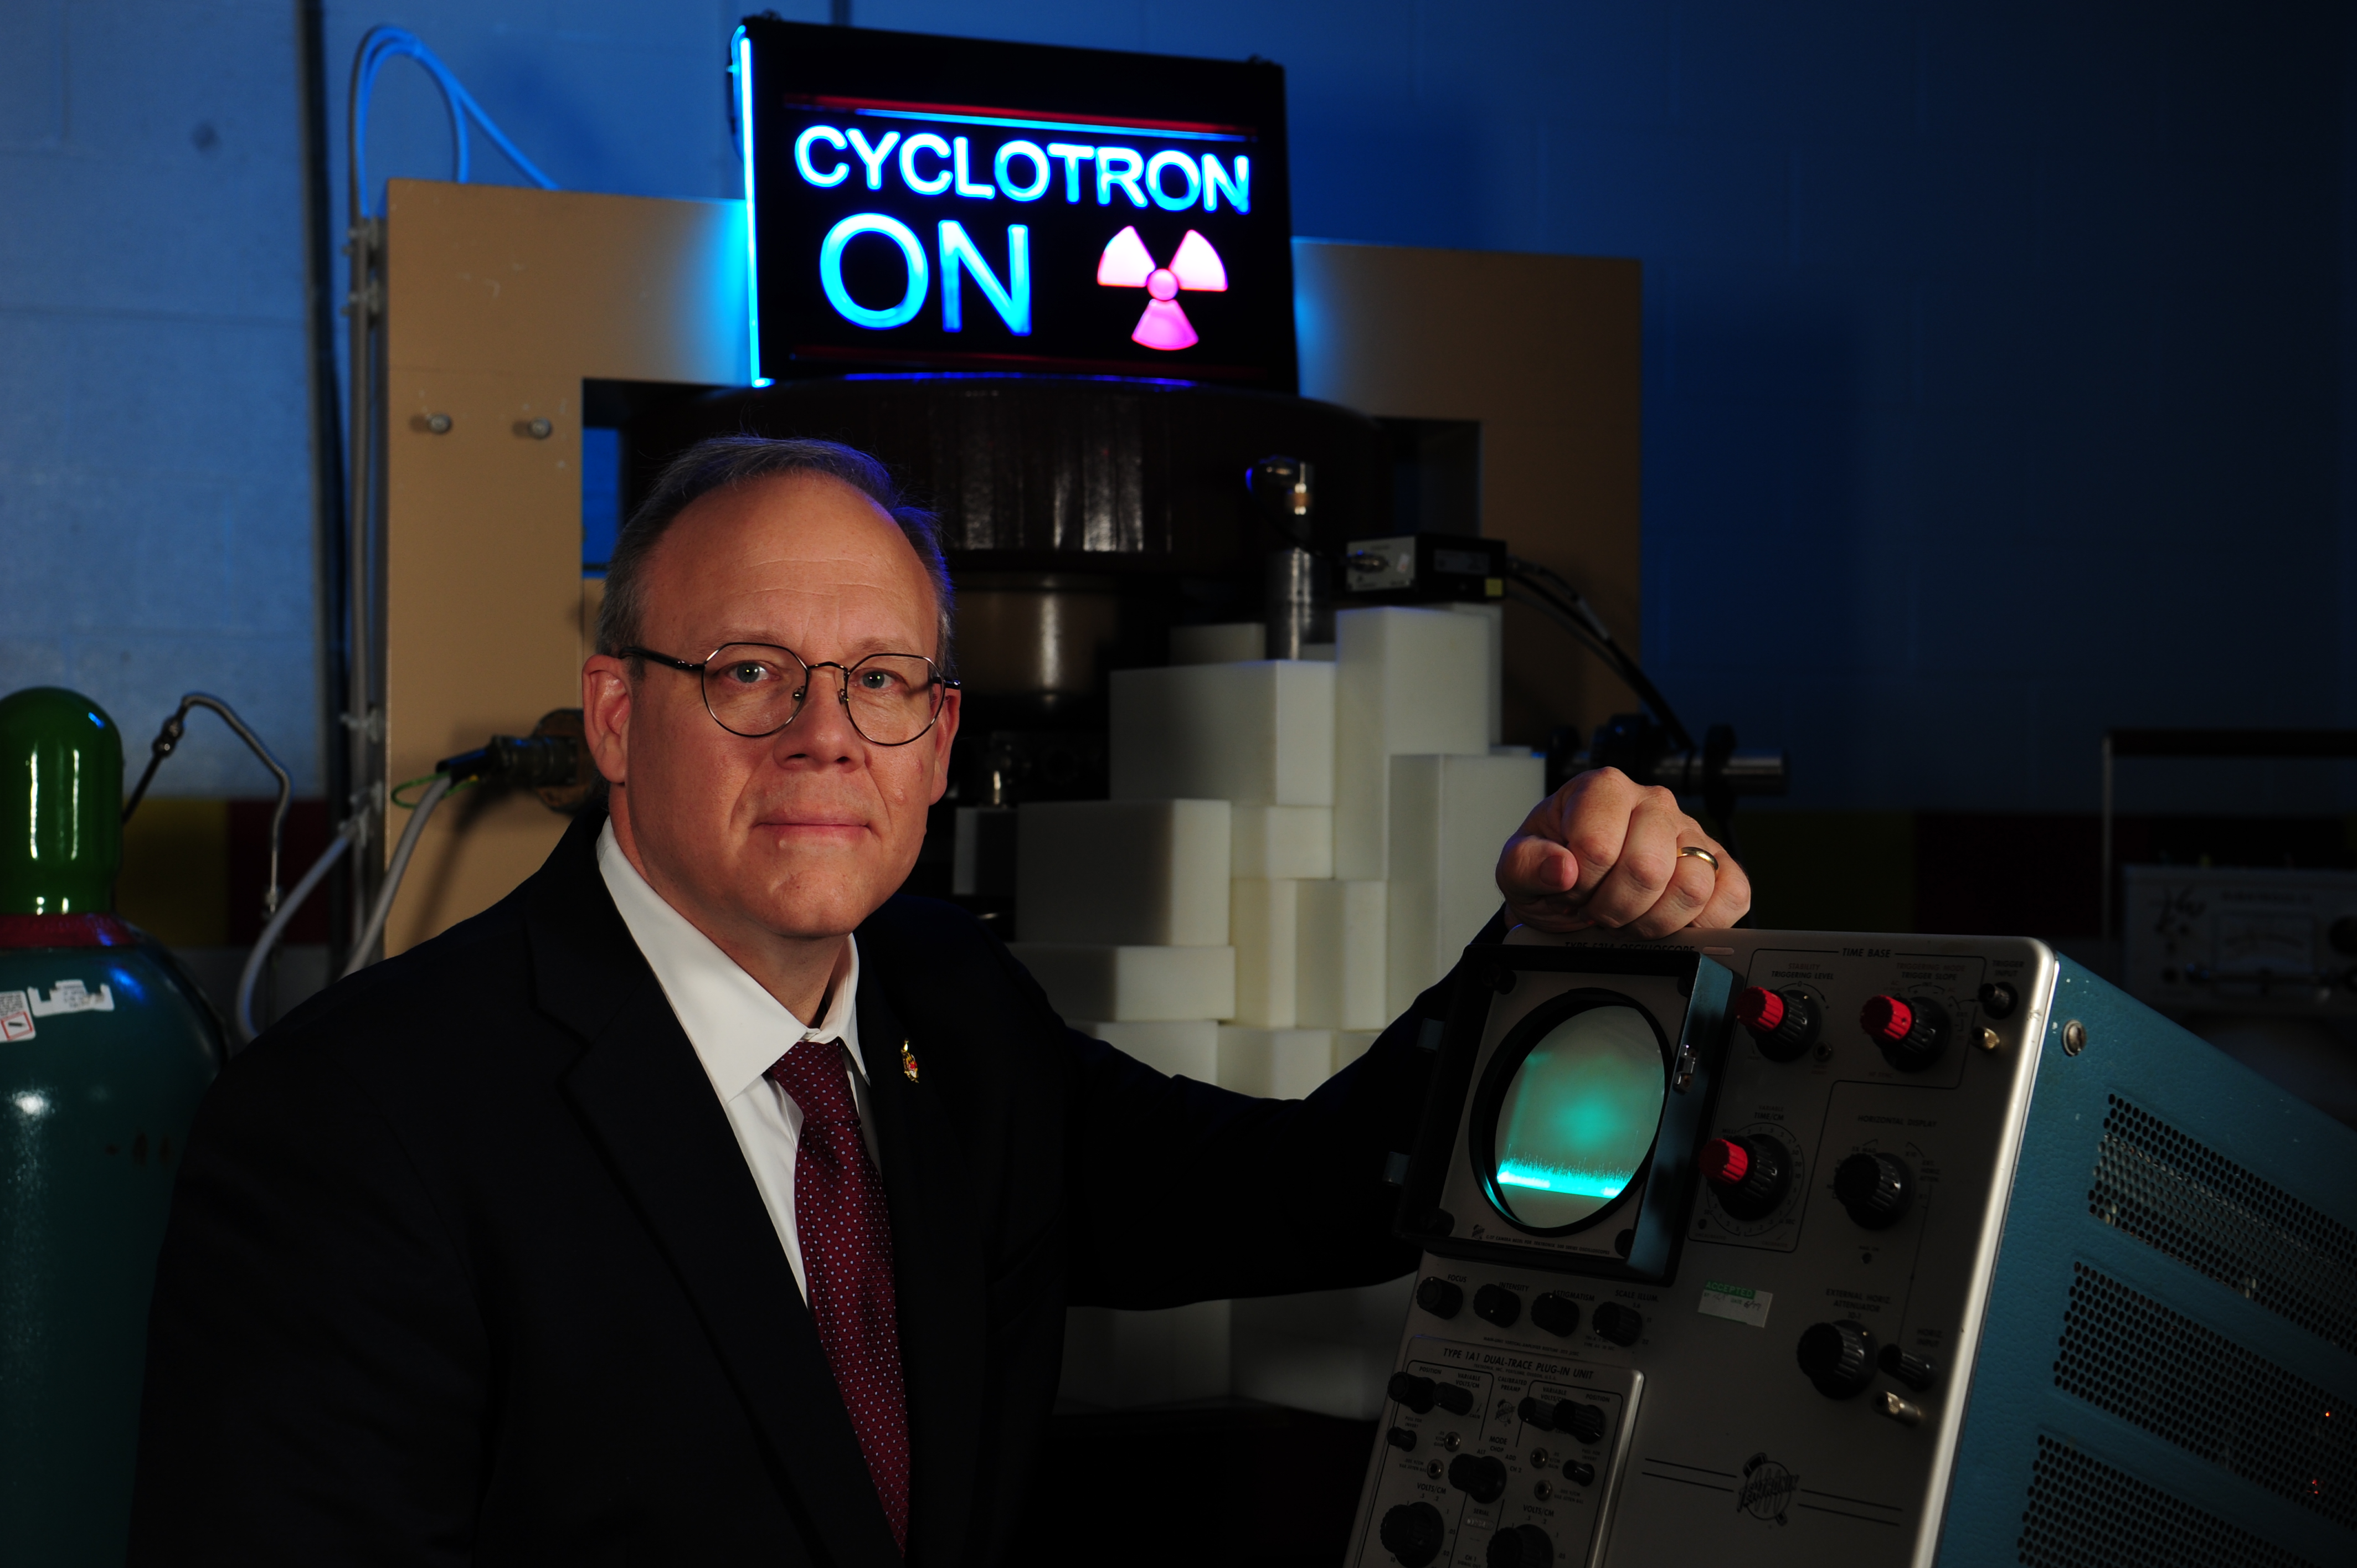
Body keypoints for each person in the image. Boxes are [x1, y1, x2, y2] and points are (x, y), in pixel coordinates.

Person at [128, 437, 1747, 1565]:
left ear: (942, 739)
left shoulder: (955, 1015)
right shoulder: (357, 1124)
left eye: (884, 681)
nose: (827, 736)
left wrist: (1558, 941)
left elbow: (1308, 1196)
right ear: (617, 717)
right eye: (751, 672)